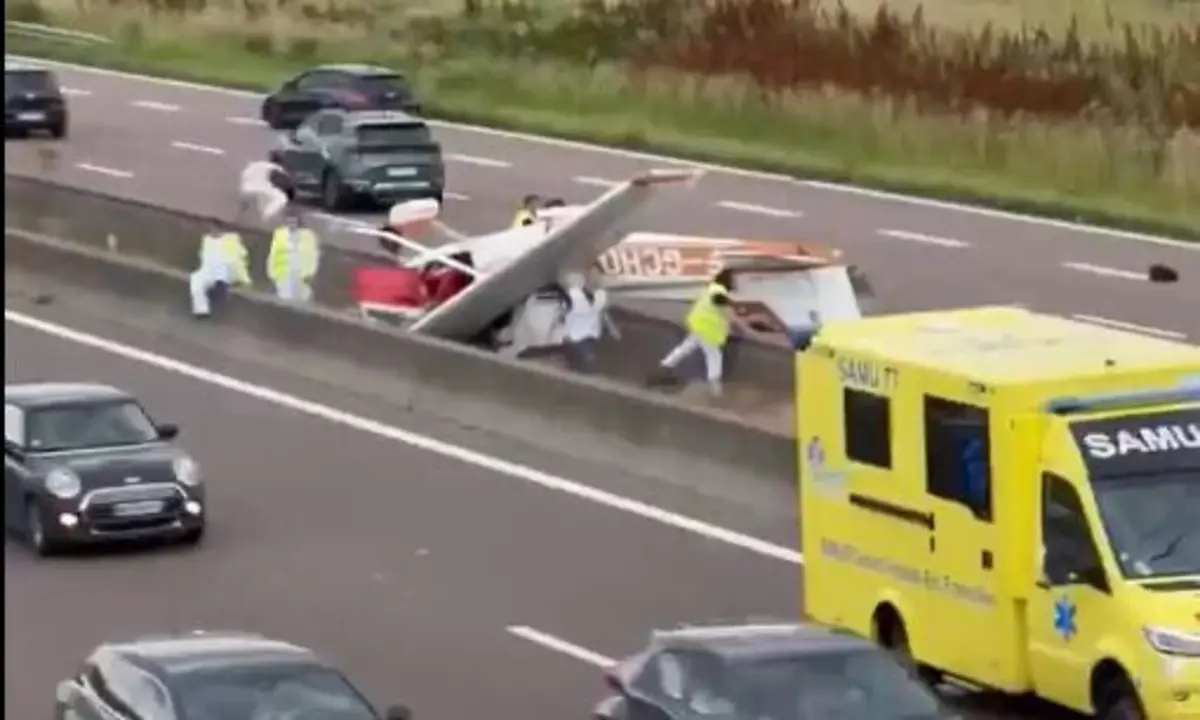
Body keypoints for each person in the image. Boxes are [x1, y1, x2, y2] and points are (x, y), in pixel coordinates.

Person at [652, 268, 744, 398]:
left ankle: (665, 365)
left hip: (698, 323)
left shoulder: (714, 288)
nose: (738, 282)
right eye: (735, 279)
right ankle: (714, 386)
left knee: (687, 347)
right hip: (706, 328)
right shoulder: (719, 294)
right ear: (729, 280)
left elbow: (724, 311)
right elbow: (730, 315)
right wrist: (748, 328)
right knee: (714, 355)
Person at [189, 219, 250, 318]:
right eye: (211, 229)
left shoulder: (231, 240)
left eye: (215, 229)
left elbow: (238, 258)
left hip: (227, 272)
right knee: (195, 279)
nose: (212, 231)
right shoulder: (207, 240)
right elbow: (203, 257)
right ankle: (202, 310)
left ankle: (220, 285)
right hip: (209, 271)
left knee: (220, 261)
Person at [559, 270, 608, 373]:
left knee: (578, 354)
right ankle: (582, 363)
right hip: (586, 334)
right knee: (583, 355)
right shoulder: (578, 296)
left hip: (577, 335)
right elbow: (592, 311)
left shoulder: (571, 296)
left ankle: (579, 364)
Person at [266, 212, 320, 302]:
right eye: (288, 222)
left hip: (301, 275)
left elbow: (313, 256)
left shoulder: (308, 236)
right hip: (283, 275)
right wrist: (272, 273)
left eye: (293, 222)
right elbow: (273, 254)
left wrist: (310, 274)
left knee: (301, 298)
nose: (291, 225)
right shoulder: (280, 234)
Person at [239, 159, 293, 225]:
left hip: (246, 189)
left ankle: (243, 217)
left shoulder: (254, 165)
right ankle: (264, 220)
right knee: (281, 198)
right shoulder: (276, 168)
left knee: (264, 199)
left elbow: (244, 178)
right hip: (261, 189)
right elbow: (285, 182)